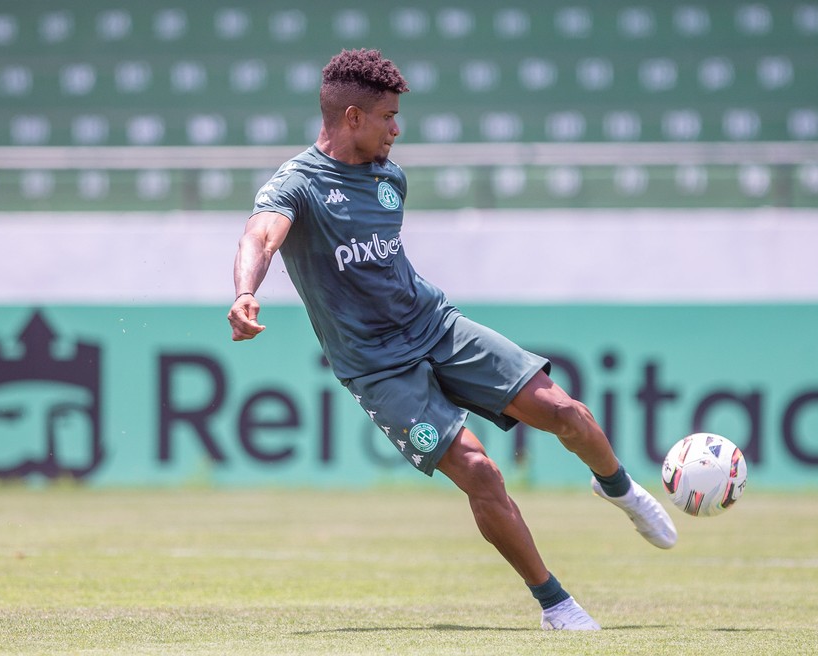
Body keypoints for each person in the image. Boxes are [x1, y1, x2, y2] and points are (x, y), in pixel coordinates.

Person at [227, 48, 677, 631]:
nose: (397, 129)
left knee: (564, 411)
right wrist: (245, 292)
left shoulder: (389, 178)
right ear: (353, 117)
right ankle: (555, 604)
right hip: (377, 367)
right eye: (388, 116)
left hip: (436, 326)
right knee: (481, 472)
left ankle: (619, 488)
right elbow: (260, 236)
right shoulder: (298, 185)